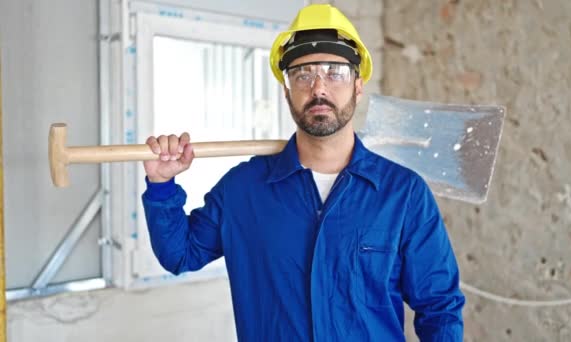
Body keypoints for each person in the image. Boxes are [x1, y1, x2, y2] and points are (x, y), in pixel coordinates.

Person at [142, 4, 465, 341]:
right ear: (287, 91)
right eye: (303, 74)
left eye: (334, 72)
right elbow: (180, 254)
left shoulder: (403, 194)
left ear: (358, 84)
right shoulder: (243, 189)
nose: (318, 88)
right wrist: (161, 185)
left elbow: (439, 306)